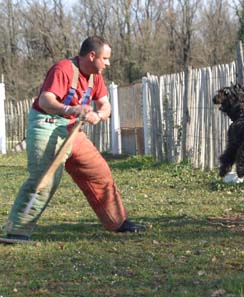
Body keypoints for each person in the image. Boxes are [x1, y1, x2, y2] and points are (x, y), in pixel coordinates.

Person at [4, 36, 145, 241]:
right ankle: (16, 230)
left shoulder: (96, 77)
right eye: (105, 58)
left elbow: (106, 105)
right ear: (92, 55)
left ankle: (117, 222)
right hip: (47, 124)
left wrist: (98, 115)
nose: (107, 63)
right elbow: (45, 100)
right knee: (45, 178)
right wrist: (71, 108)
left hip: (72, 128)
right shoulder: (63, 69)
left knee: (99, 172)